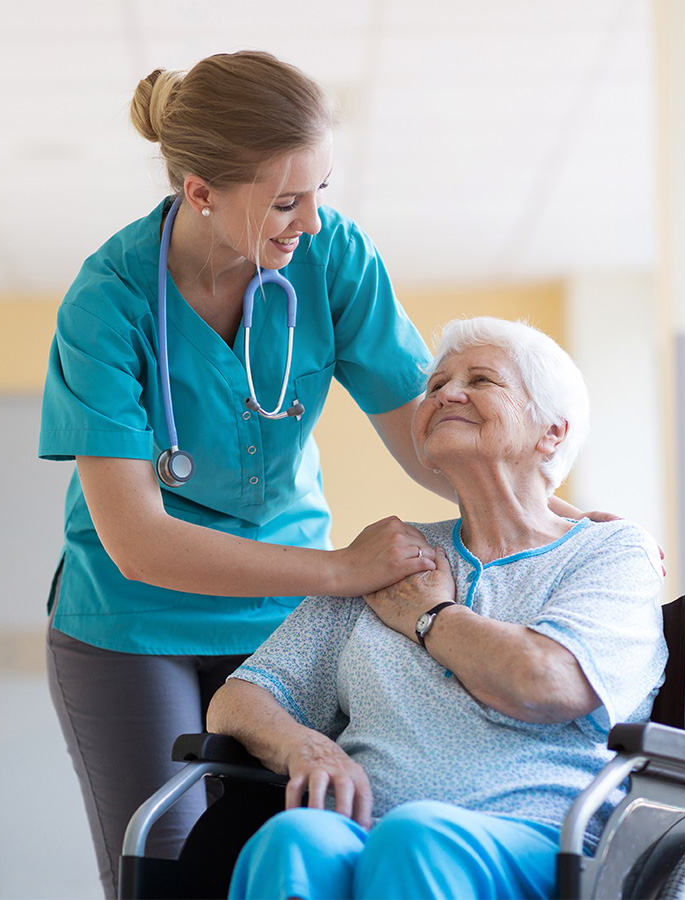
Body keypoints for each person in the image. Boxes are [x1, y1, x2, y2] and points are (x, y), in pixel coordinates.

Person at [39, 52, 609, 898]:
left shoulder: (331, 256)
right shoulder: (110, 300)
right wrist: (342, 571)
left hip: (283, 620)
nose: (308, 223)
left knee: (300, 848)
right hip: (133, 622)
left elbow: (433, 437)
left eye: (320, 194)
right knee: (166, 870)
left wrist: (552, 520)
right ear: (200, 192)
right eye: (283, 202)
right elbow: (138, 540)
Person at [207, 316, 668, 900]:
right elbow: (241, 697)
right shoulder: (390, 557)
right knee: (295, 839)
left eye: (481, 380)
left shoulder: (607, 552)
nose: (446, 393)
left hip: (544, 841)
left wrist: (433, 619)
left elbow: (548, 681)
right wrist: (304, 745)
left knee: (415, 836)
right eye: (436, 384)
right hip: (367, 833)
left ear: (551, 433)